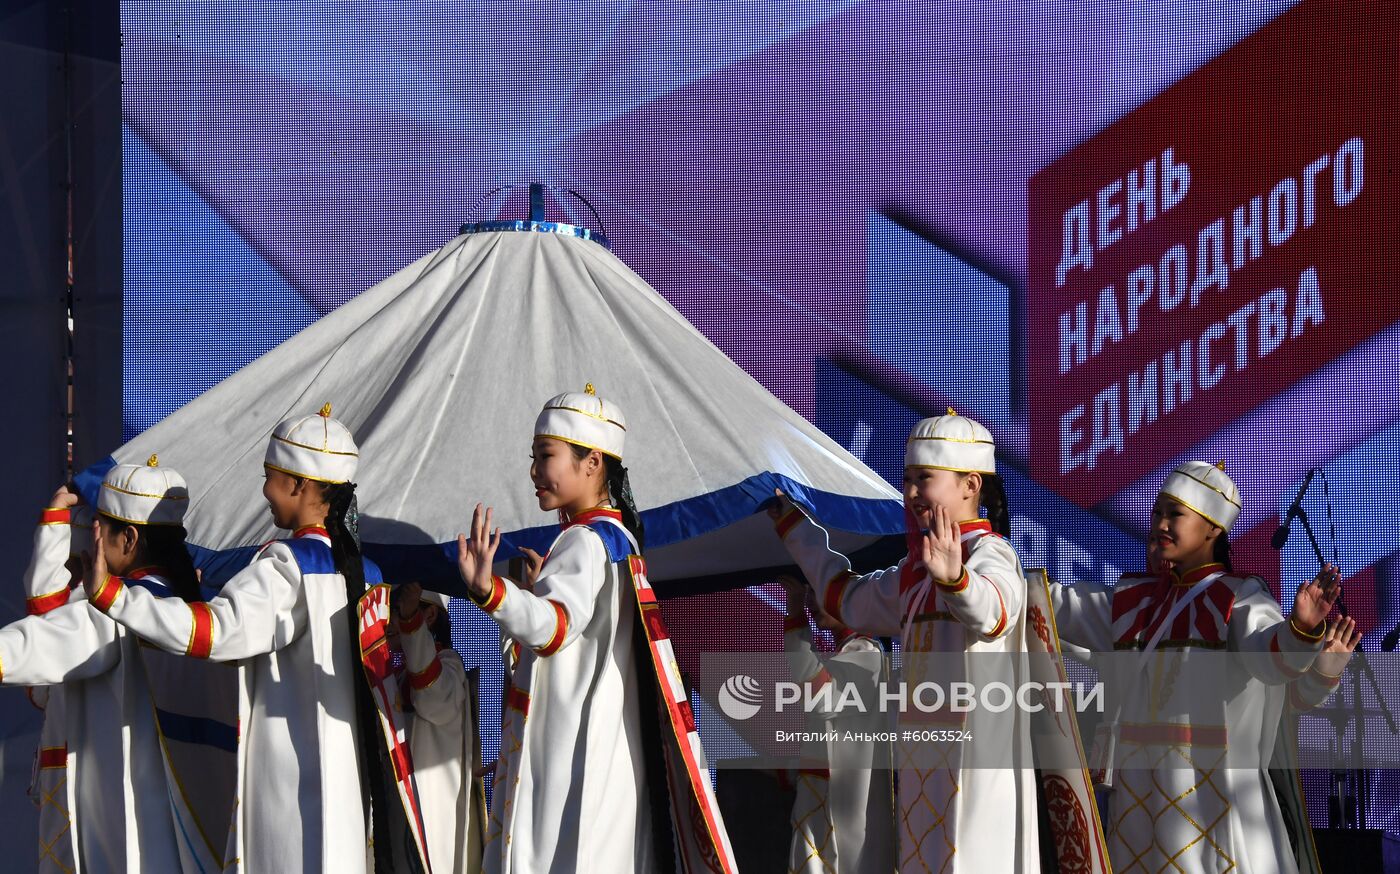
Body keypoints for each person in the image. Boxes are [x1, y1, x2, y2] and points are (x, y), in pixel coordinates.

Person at [85, 404, 394, 872]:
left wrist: (112, 596)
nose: (265, 490)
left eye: (270, 476)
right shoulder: (368, 575)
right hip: (351, 790)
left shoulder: (284, 567)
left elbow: (214, 632)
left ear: (300, 485)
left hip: (288, 791)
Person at [458, 383, 736, 873]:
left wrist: (491, 591)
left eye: (546, 455)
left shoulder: (584, 542)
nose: (534, 471)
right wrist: (537, 589)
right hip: (605, 754)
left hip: (574, 761)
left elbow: (554, 629)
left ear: (593, 464)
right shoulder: (618, 540)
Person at [770, 408, 1040, 872]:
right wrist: (794, 527)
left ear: (970, 486)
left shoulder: (993, 553)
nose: (912, 491)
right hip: (921, 764)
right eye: (908, 478)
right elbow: (848, 598)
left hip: (976, 769)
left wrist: (955, 578)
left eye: (925, 478)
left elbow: (994, 613)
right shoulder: (913, 574)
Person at [1049, 460, 1341, 873]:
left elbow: (1270, 658)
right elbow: (1059, 606)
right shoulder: (1134, 599)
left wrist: (1300, 629)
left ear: (1212, 529)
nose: (1161, 524)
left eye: (1175, 514)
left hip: (1211, 795)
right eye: (1157, 513)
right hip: (1137, 795)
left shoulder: (1239, 596)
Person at [0, 458, 215, 872]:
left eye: (100, 528)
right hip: (172, 822)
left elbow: (37, 645)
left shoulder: (116, 612)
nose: (91, 538)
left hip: (116, 830)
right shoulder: (185, 606)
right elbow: (51, 676)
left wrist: (55, 539)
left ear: (129, 539)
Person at [776, 575, 894, 873]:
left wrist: (795, 617)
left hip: (843, 816)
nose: (814, 603)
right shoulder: (850, 652)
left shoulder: (866, 653)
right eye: (813, 594)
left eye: (822, 593)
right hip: (829, 803)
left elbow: (816, 696)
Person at [392, 582, 485, 874]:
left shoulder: (449, 665)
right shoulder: (395, 674)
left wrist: (409, 621)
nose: (387, 620)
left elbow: (432, 697)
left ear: (428, 615)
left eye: (396, 610)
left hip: (433, 820)